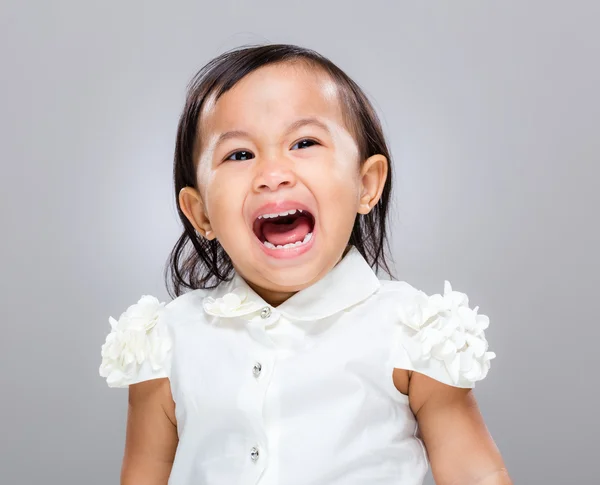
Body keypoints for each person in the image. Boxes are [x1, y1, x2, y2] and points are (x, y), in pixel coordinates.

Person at [99, 43, 511, 485]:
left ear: (366, 185)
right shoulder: (167, 340)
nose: (273, 173)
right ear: (200, 213)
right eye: (239, 154)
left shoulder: (410, 332)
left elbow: (477, 475)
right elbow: (143, 476)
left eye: (304, 143)